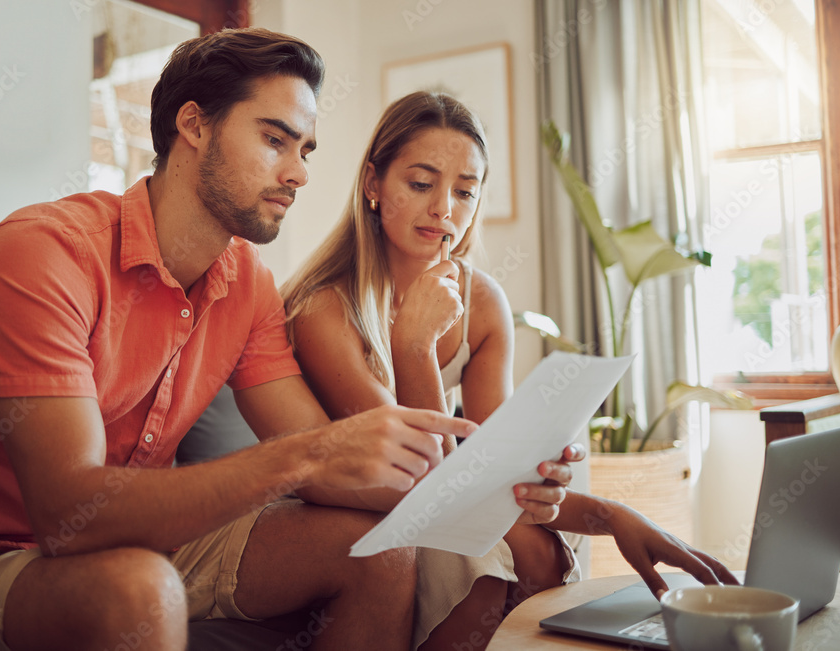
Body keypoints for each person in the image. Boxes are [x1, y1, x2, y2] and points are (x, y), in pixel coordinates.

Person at [0, 30, 582, 651]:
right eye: (275, 140)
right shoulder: (43, 254)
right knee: (137, 588)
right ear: (194, 125)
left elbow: (337, 462)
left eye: (305, 149)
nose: (301, 174)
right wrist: (305, 457)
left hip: (152, 540)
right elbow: (69, 514)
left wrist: (512, 499)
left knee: (375, 549)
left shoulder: (244, 281)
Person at [281, 91, 737, 650]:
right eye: (421, 184)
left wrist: (613, 515)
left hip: (436, 496)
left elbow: (493, 473)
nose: (444, 207)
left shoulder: (480, 300)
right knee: (497, 555)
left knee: (539, 549)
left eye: (465, 191)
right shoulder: (326, 310)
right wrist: (415, 345)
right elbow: (428, 484)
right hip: (363, 503)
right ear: (373, 184)